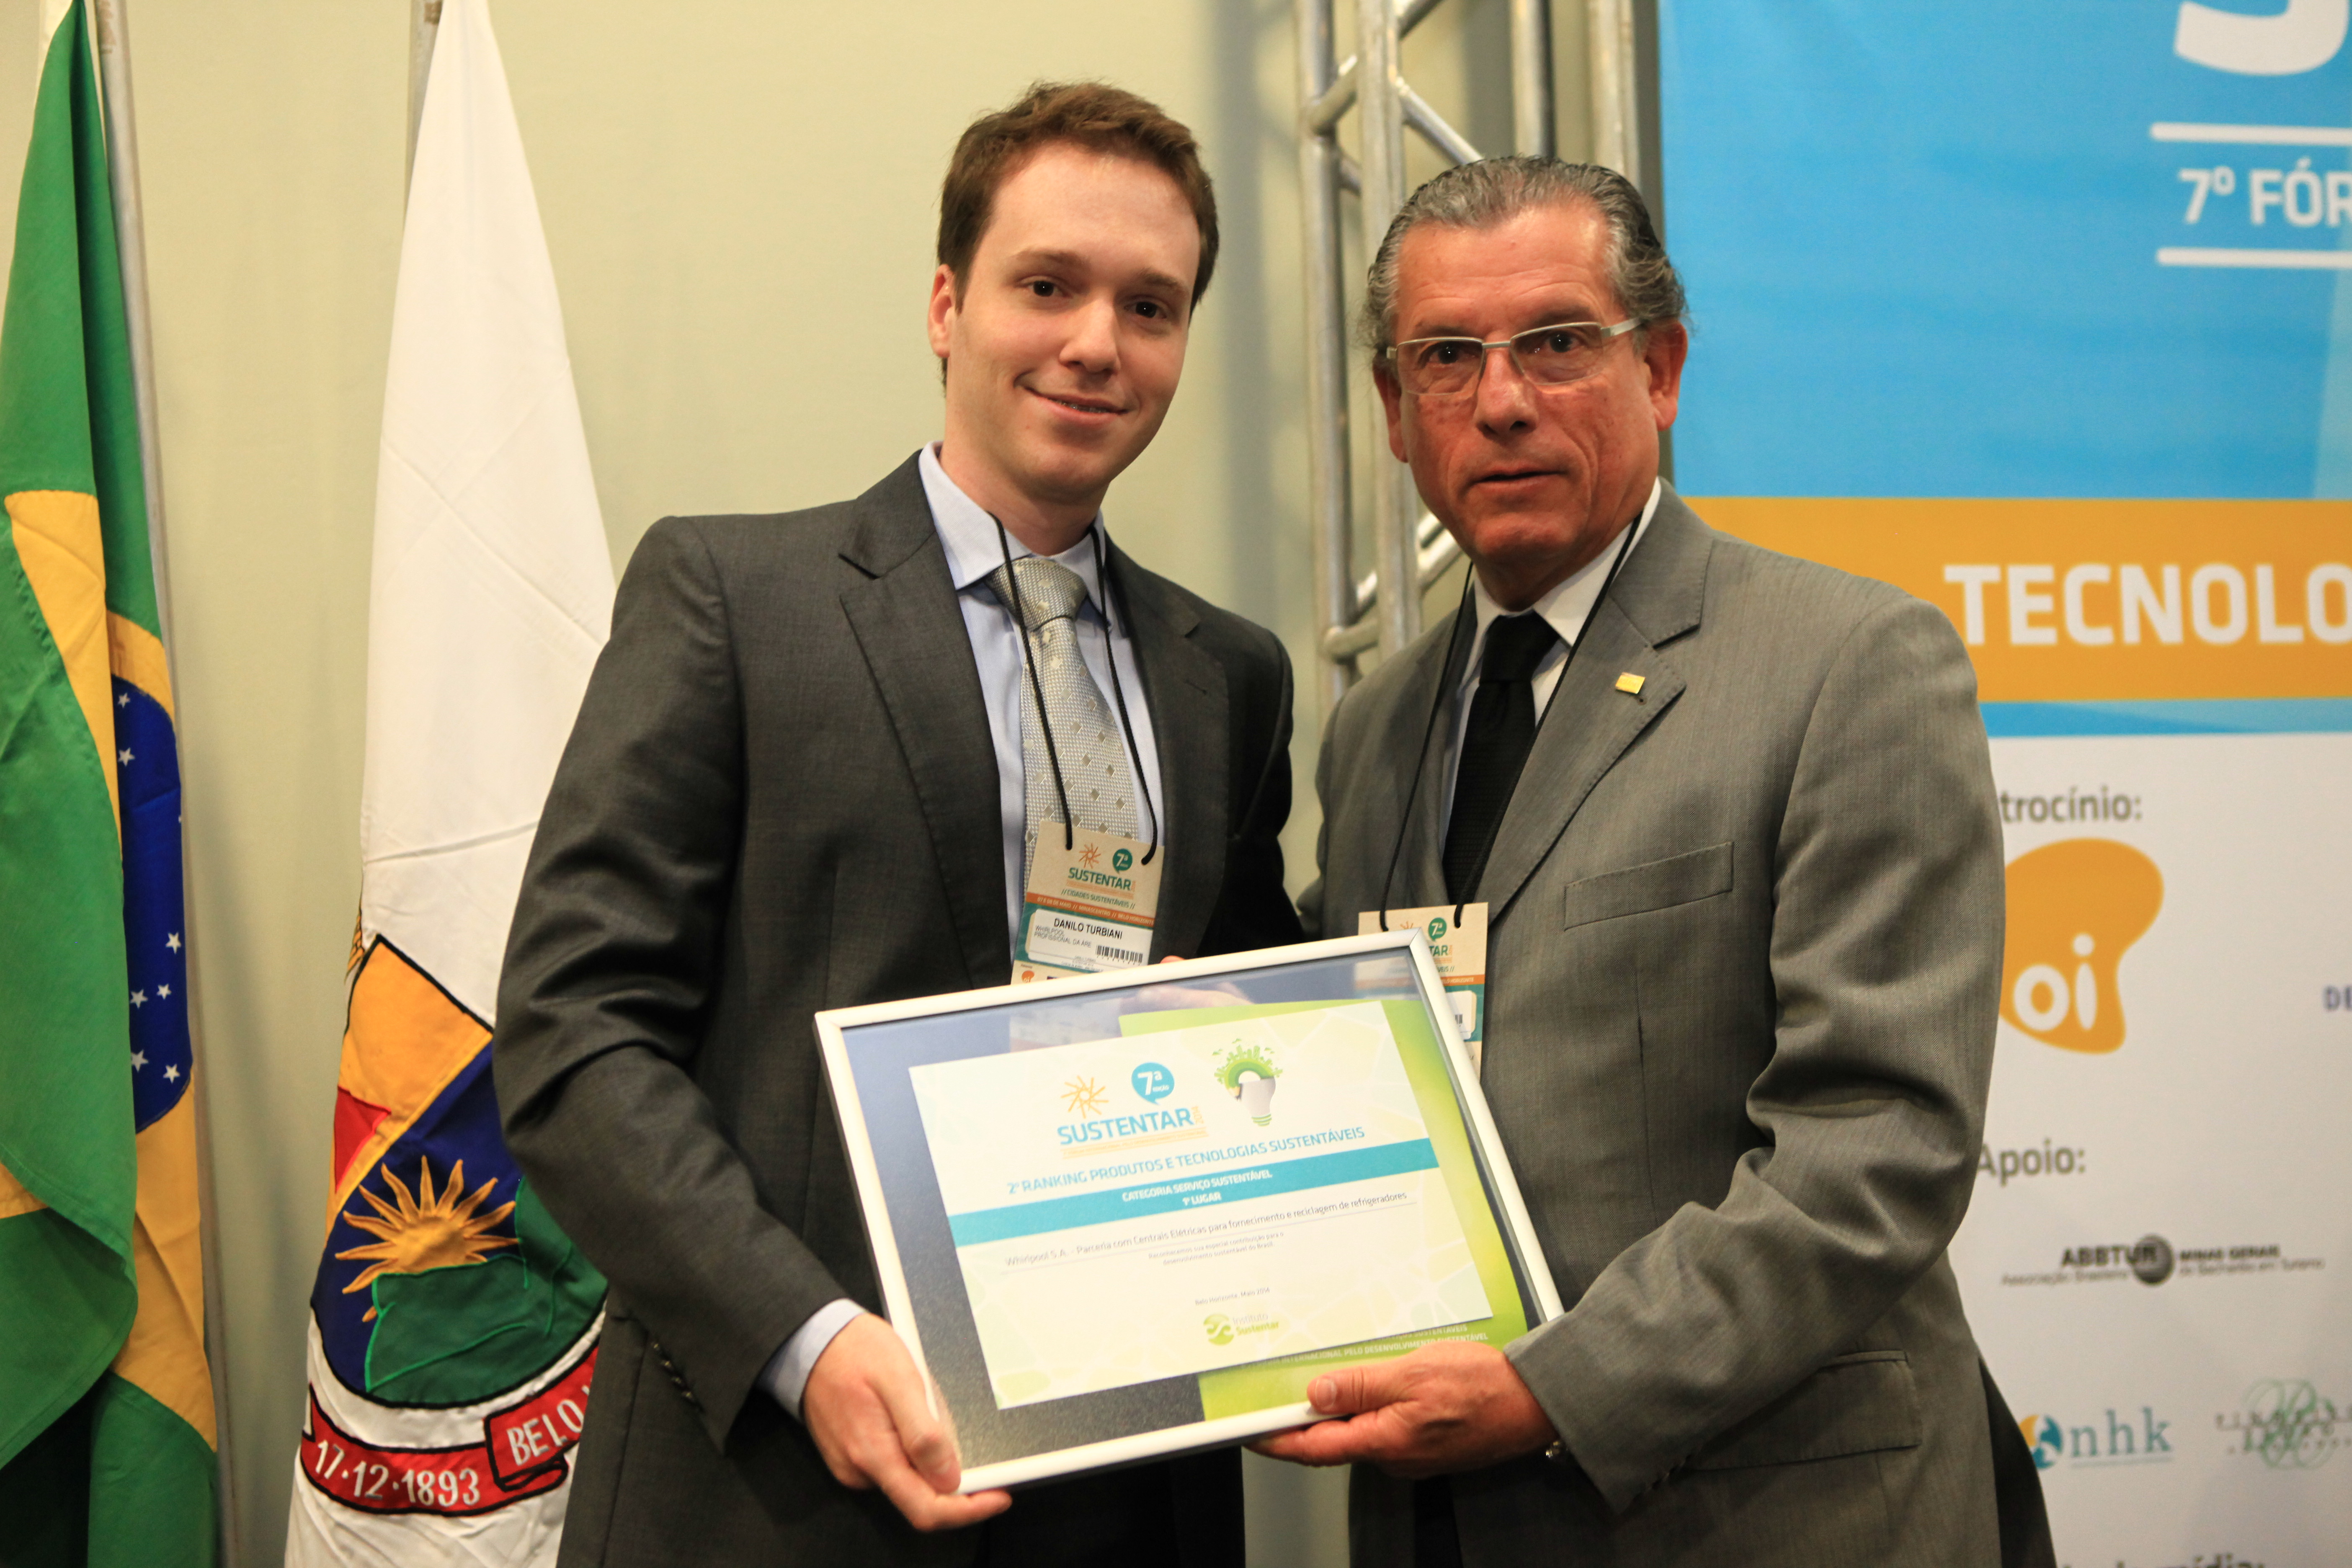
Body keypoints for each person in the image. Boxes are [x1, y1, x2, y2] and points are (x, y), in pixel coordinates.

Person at [493, 82, 1301, 1568]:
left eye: (1150, 305)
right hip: (781, 1486)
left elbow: (1249, 1021)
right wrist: (804, 1339)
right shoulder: (733, 602)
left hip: (1130, 1496)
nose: (1096, 343)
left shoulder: (1229, 677)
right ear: (946, 304)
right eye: (1046, 286)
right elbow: (573, 1036)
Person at [1265, 158, 2053, 1568]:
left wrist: (1551, 1391)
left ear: (1663, 369)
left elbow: (1878, 1145)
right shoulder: (1376, 729)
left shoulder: (1850, 664)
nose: (1503, 400)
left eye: (1559, 342)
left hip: (1763, 1517)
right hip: (1437, 1520)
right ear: (1392, 409)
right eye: (1446, 357)